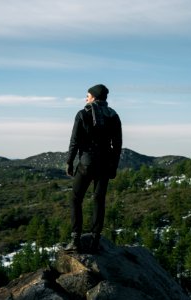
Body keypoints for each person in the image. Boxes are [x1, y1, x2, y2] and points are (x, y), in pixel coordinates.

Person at [65, 84, 122, 253]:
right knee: (99, 199)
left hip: (86, 163)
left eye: (88, 95)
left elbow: (74, 140)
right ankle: (95, 240)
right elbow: (117, 145)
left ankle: (76, 239)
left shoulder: (83, 113)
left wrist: (69, 162)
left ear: (94, 97)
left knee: (76, 198)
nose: (86, 98)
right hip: (105, 164)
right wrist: (114, 166)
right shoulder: (113, 115)